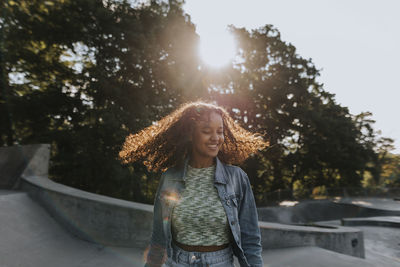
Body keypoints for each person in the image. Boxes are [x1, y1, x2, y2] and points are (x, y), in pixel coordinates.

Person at [119, 101, 267, 267]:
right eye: (206, 131)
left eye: (220, 132)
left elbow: (251, 239)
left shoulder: (237, 178)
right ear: (190, 134)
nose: (216, 138)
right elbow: (159, 237)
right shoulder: (170, 178)